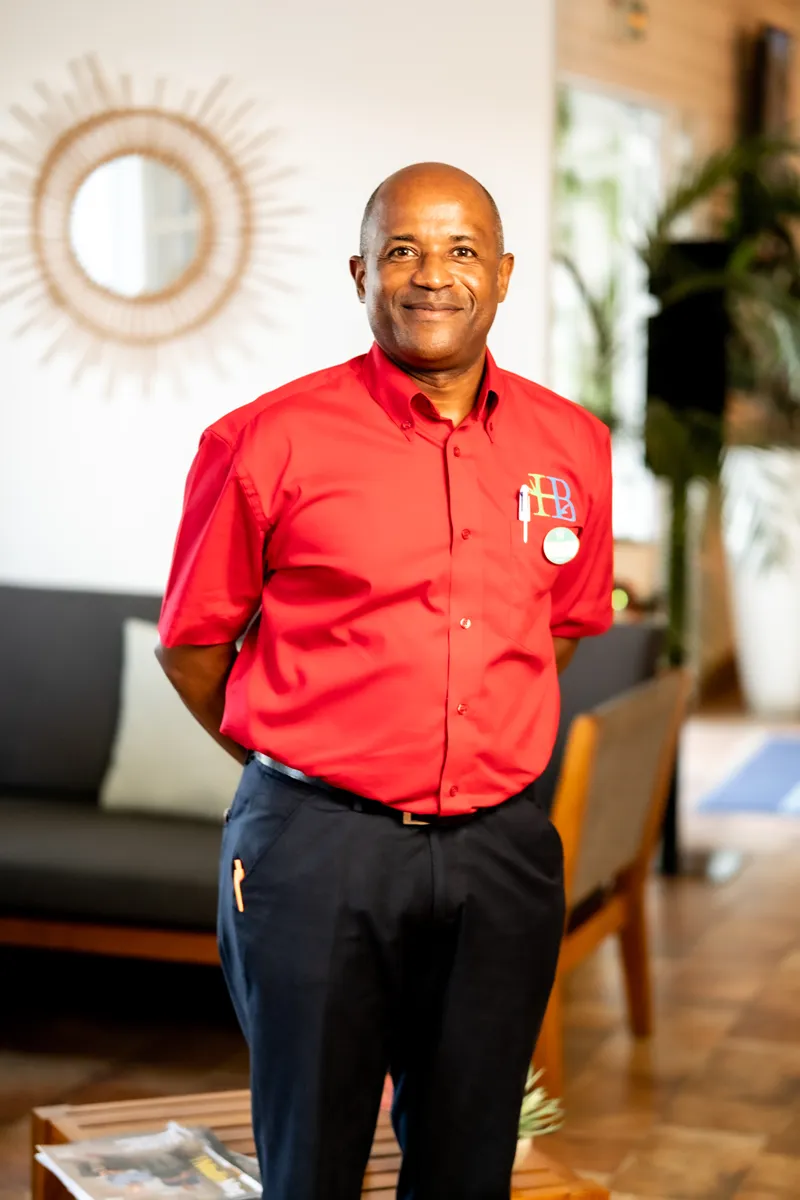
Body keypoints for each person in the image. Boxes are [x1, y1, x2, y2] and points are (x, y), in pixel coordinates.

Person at [157, 162, 613, 1200]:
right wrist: (311, 762)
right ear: (359, 273)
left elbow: (561, 628)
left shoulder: (571, 446)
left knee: (466, 1165)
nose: (429, 275)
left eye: (458, 250)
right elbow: (193, 649)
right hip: (315, 853)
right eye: (400, 250)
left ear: (501, 276)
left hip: (499, 854)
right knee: (310, 1162)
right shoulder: (262, 440)